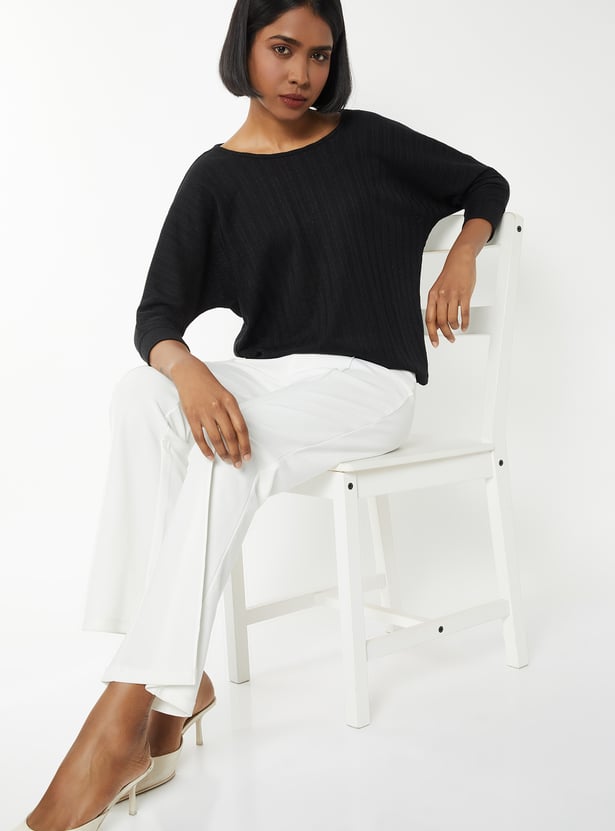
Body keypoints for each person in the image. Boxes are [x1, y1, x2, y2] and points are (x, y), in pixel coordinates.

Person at [13, 0, 509, 829]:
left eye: (319, 55)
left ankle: (126, 714)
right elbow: (156, 315)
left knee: (228, 451)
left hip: (370, 384)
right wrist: (188, 374)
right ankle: (177, 675)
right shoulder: (214, 178)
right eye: (282, 49)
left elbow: (481, 181)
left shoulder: (367, 140)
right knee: (142, 394)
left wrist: (462, 252)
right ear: (243, 47)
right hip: (273, 376)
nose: (300, 74)